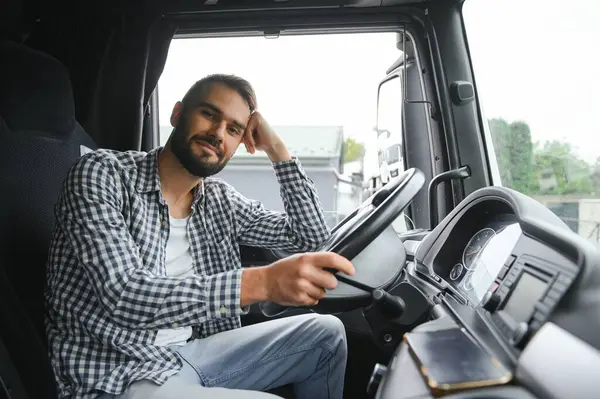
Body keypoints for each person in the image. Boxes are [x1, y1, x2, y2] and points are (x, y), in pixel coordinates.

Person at [44, 74, 356, 399]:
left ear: (240, 144)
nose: (218, 133)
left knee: (326, 334)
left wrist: (277, 151)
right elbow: (125, 295)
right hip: (118, 372)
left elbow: (311, 237)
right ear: (177, 114)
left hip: (190, 354)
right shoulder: (102, 174)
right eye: (209, 114)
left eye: (234, 129)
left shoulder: (220, 200)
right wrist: (260, 283)